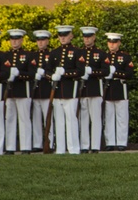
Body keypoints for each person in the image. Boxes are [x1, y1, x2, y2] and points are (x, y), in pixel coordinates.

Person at [49, 25, 84, 155]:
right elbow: (47, 70)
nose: (62, 37)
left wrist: (65, 73)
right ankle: (60, 149)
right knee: (58, 121)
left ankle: (73, 148)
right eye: (60, 35)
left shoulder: (77, 52)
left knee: (71, 120)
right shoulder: (54, 53)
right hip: (57, 92)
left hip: (71, 91)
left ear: (71, 36)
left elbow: (80, 71)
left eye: (65, 35)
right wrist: (51, 76)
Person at [103, 32, 135, 151]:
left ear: (119, 43)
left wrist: (115, 73)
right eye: (110, 42)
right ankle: (110, 142)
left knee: (122, 117)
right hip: (107, 89)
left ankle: (121, 142)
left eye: (114, 42)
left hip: (120, 88)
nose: (112, 45)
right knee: (109, 117)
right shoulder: (104, 56)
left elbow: (129, 73)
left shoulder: (125, 57)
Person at [78, 26, 105, 153]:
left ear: (94, 37)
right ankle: (84, 145)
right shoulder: (79, 53)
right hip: (82, 90)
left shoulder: (101, 53)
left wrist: (93, 72)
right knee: (83, 119)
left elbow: (105, 71)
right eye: (85, 37)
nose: (87, 39)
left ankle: (95, 146)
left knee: (95, 119)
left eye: (89, 37)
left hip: (95, 89)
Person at [30, 30, 55, 152]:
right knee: (36, 119)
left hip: (47, 91)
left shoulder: (51, 55)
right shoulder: (32, 56)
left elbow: (54, 72)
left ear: (47, 41)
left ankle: (50, 142)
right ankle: (37, 143)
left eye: (43, 40)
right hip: (35, 92)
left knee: (48, 118)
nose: (40, 42)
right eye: (38, 40)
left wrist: (46, 74)